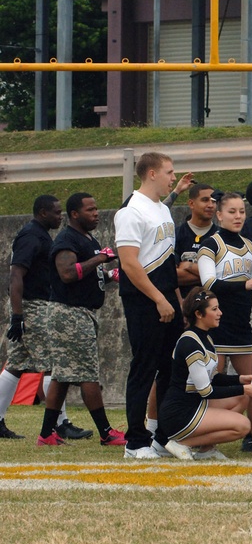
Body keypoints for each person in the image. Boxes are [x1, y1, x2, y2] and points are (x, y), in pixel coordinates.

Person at [115, 152, 190, 459]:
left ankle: (161, 436)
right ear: (151, 174)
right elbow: (129, 264)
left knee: (171, 368)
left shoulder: (160, 208)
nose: (174, 177)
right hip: (144, 301)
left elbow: (166, 261)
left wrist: (176, 299)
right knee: (144, 368)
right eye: (169, 172)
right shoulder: (131, 211)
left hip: (166, 299)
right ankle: (135, 441)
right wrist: (158, 299)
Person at [37, 193, 126, 447]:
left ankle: (46, 434)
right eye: (90, 210)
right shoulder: (67, 239)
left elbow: (89, 274)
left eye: (97, 208)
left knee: (62, 376)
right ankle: (106, 432)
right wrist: (100, 258)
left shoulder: (88, 238)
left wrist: (110, 274)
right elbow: (67, 273)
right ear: (75, 214)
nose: (96, 213)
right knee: (88, 374)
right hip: (69, 314)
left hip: (80, 312)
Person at [197, 192, 252, 457]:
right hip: (216, 328)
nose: (238, 216)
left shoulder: (251, 244)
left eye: (241, 211)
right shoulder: (210, 244)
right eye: (231, 212)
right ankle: (204, 445)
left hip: (242, 328)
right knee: (212, 389)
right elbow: (208, 283)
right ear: (219, 215)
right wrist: (244, 284)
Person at [157, 288, 252, 460]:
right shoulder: (190, 343)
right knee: (243, 426)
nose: (220, 313)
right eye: (214, 309)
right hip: (180, 413)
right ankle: (183, 443)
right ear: (199, 314)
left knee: (243, 398)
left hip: (195, 405)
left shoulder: (205, 338)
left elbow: (212, 377)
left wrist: (240, 380)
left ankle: (206, 449)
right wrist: (244, 389)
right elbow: (206, 391)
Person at [0, 195, 64, 441]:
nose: (60, 216)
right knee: (51, 363)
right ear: (43, 213)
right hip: (32, 307)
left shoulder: (40, 233)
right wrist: (18, 316)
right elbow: (16, 275)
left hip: (31, 306)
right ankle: (60, 423)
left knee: (15, 365)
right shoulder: (31, 236)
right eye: (57, 212)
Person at [175, 183, 218, 299]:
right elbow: (172, 276)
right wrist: (209, 275)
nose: (210, 205)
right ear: (191, 204)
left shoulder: (221, 236)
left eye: (213, 201)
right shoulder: (175, 235)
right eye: (205, 200)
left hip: (215, 307)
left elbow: (223, 274)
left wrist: (189, 266)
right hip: (184, 305)